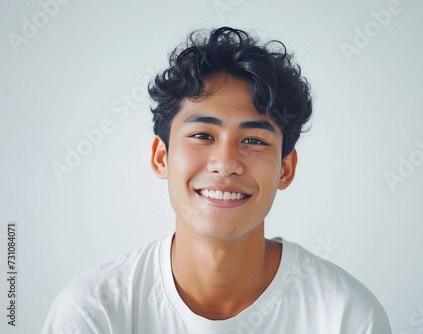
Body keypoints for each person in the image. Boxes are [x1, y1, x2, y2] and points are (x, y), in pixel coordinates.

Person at [42, 26, 392, 334]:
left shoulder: (345, 316)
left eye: (253, 141)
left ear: (285, 169)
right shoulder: (93, 312)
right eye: (203, 135)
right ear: (161, 157)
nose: (225, 164)